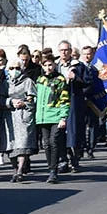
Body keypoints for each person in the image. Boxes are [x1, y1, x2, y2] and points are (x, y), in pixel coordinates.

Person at [34, 56, 70, 184]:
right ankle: (50, 167)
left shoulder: (60, 80)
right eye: (45, 65)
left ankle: (53, 171)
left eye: (50, 65)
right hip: (43, 118)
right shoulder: (40, 80)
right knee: (46, 144)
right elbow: (36, 98)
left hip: (55, 116)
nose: (48, 68)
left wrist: (63, 117)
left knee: (54, 141)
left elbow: (64, 100)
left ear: (54, 65)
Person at [2, 60, 37, 182]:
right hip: (9, 116)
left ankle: (21, 170)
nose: (14, 71)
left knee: (22, 145)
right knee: (11, 145)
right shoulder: (5, 83)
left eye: (16, 68)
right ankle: (14, 168)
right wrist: (10, 102)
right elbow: (0, 99)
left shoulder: (28, 82)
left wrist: (25, 103)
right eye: (11, 68)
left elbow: (34, 99)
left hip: (23, 115)